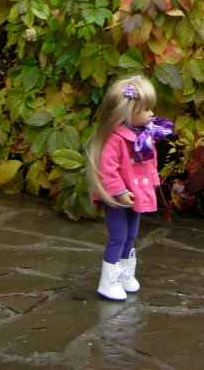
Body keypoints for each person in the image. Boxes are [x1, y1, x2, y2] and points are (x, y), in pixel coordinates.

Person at [87, 75, 173, 301]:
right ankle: (108, 279)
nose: (152, 114)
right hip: (117, 197)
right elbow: (108, 169)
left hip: (137, 194)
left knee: (132, 234)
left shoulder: (144, 136)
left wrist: (153, 182)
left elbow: (149, 163)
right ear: (128, 112)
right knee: (118, 235)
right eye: (146, 110)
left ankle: (125, 273)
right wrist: (119, 192)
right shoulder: (115, 139)